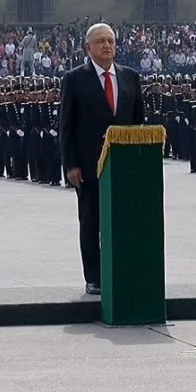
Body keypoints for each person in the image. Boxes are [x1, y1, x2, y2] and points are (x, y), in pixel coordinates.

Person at [60, 23, 145, 296]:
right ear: (88, 48)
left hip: (123, 167)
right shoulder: (75, 79)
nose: (107, 45)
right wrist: (70, 164)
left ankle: (120, 270)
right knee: (91, 222)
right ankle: (94, 276)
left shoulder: (130, 77)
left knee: (123, 221)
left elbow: (138, 125)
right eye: (100, 41)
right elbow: (66, 126)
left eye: (110, 41)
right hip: (88, 166)